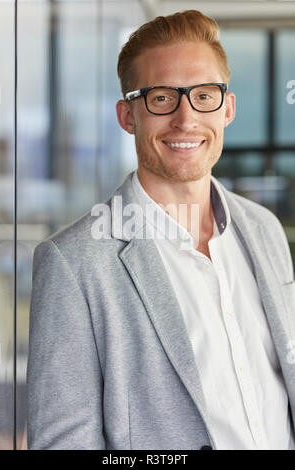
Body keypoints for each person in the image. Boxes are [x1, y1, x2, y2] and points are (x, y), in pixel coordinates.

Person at [27, 10, 295, 450]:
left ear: (226, 108)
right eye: (161, 97)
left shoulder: (264, 229)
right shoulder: (73, 264)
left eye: (203, 95)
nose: (186, 119)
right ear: (128, 115)